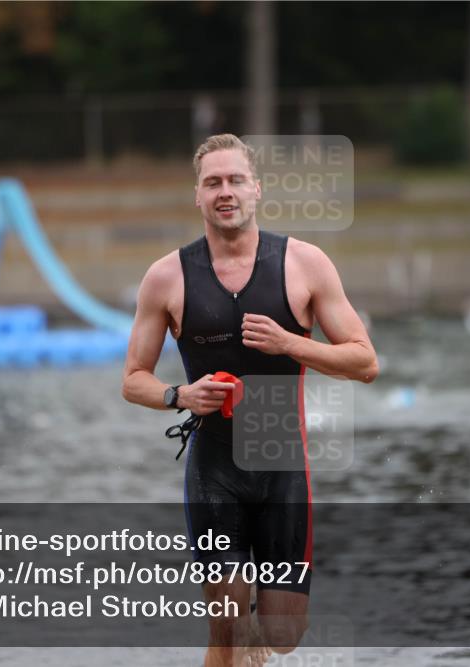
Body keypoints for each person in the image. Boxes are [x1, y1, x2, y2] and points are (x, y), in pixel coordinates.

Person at [122, 134, 378, 667]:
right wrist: (180, 395)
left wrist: (290, 343)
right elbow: (133, 379)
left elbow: (365, 362)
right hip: (214, 467)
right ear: (198, 195)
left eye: (235, 180)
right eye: (213, 182)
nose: (225, 191)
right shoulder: (167, 276)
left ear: (256, 189)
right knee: (230, 622)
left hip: (281, 463)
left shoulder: (304, 264)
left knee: (282, 633)